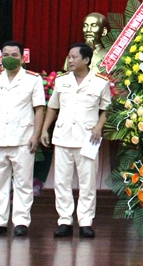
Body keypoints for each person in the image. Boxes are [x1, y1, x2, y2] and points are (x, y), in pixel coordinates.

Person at [41, 43, 111, 238]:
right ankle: (64, 220)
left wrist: (98, 126)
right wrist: (45, 129)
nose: (70, 60)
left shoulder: (100, 82)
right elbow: (52, 107)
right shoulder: (61, 81)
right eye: (69, 57)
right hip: (63, 137)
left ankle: (86, 221)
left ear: (86, 60)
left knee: (87, 181)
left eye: (74, 57)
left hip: (88, 138)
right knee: (61, 181)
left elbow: (107, 109)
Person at [0, 41, 46, 237]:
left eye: (14, 55)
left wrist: (36, 134)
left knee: (23, 183)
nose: (10, 57)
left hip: (24, 139)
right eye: (6, 54)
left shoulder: (33, 79)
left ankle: (21, 222)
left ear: (22, 58)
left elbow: (39, 108)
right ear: (1, 57)